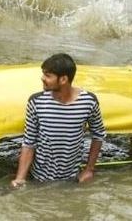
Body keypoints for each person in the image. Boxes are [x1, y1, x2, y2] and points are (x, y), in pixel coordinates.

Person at [11, 53, 106, 188]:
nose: (42, 78)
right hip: (39, 179)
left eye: (48, 76)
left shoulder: (88, 102)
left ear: (63, 79)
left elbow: (99, 135)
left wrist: (89, 169)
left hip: (72, 180)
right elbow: (28, 142)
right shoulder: (36, 102)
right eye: (43, 74)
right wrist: (20, 179)